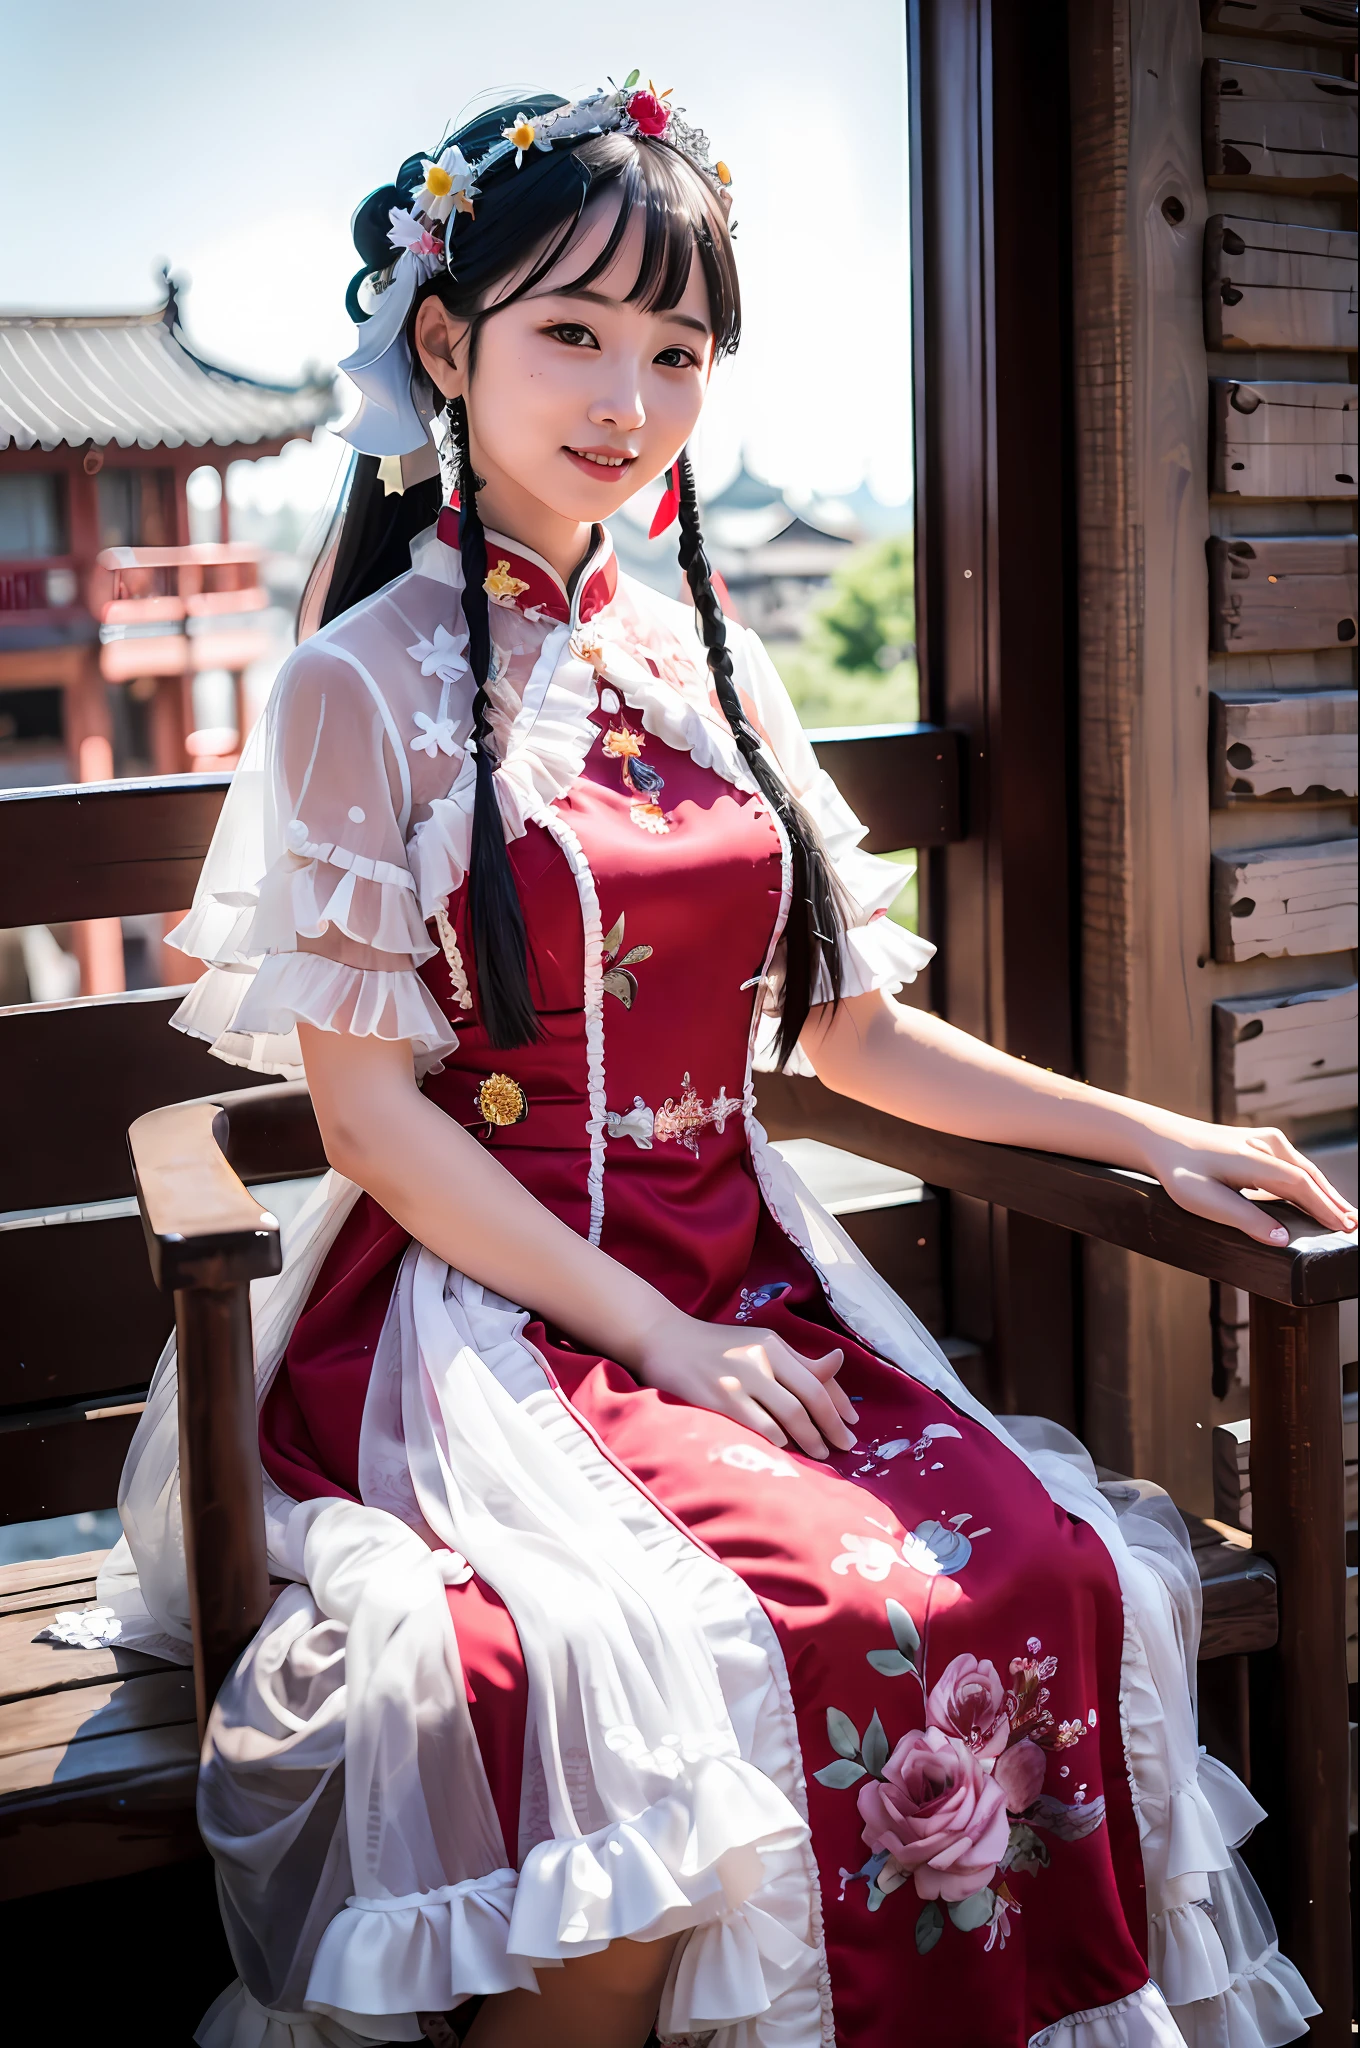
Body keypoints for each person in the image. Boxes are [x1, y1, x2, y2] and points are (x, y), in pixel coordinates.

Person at [99, 79, 1353, 2048]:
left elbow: (842, 1028)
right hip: (489, 1318)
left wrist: (1170, 1132)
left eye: (676, 349)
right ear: (445, 344)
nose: (628, 396)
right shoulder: (358, 680)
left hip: (742, 1277)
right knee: (637, 1669)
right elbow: (366, 1120)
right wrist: (663, 1344)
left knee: (1026, 1568)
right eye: (571, 335)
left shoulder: (711, 659)